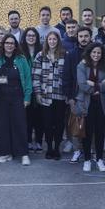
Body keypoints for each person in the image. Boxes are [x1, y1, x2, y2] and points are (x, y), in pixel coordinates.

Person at [0, 34, 31, 165]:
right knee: (3, 126)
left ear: (15, 46)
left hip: (17, 97)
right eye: (7, 43)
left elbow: (28, 79)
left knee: (19, 125)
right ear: (3, 45)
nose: (9, 45)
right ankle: (5, 153)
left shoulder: (21, 59)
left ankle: (23, 154)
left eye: (12, 43)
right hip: (1, 98)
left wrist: (27, 97)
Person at [31, 30, 67, 160]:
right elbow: (35, 76)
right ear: (46, 41)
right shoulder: (40, 55)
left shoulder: (64, 55)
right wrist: (38, 93)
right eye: (50, 39)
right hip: (45, 95)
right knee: (47, 124)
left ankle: (57, 148)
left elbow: (68, 76)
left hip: (60, 96)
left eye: (54, 39)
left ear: (58, 41)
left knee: (59, 124)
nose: (52, 41)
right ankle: (49, 148)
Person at [75, 43, 105, 172]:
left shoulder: (104, 66)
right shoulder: (82, 65)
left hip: (101, 103)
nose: (96, 55)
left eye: (99, 53)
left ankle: (100, 159)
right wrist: (99, 86)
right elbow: (82, 84)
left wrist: (94, 85)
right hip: (86, 103)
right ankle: (87, 160)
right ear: (90, 53)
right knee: (87, 133)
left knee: (100, 132)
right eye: (94, 52)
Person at [64, 26, 93, 163]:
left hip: (93, 95)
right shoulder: (71, 54)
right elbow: (67, 77)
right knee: (76, 125)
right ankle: (77, 150)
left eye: (86, 36)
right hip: (76, 96)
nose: (83, 39)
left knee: (91, 125)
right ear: (77, 37)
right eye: (81, 36)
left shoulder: (96, 52)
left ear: (90, 37)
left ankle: (90, 150)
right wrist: (69, 97)